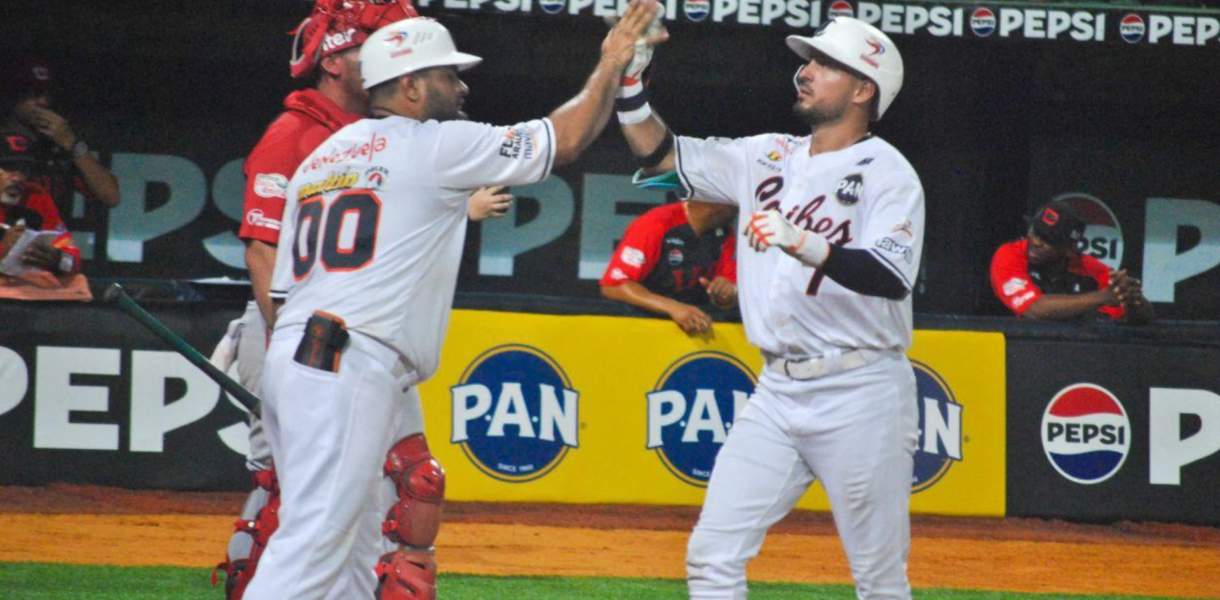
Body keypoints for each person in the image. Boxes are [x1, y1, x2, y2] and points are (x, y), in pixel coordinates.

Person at [244, 5, 664, 600]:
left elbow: (282, 290)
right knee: (311, 550)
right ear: (411, 85)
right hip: (347, 359)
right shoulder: (431, 145)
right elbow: (563, 140)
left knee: (360, 552)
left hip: (304, 352)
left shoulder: (324, 157)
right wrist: (612, 60)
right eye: (449, 75)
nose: (462, 86)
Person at [211, 1, 513, 597]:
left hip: (353, 340)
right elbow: (263, 255)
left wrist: (460, 211)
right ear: (334, 61)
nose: (380, 49)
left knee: (399, 495)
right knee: (298, 517)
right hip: (306, 337)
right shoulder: (297, 134)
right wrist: (297, 357)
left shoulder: (377, 139)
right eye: (367, 43)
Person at [618, 17, 924, 599]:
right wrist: (631, 82)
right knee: (712, 557)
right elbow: (660, 155)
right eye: (808, 60)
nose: (804, 70)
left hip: (861, 390)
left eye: (826, 64)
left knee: (879, 581)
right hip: (778, 391)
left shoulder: (890, 173)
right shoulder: (765, 155)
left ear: (864, 90)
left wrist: (800, 240)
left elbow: (890, 275)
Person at [991, 200, 1153, 323]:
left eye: (1047, 239)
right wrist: (1103, 297)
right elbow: (1035, 310)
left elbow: (1144, 317)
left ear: (1069, 248)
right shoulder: (1010, 254)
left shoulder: (1088, 268)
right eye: (1035, 232)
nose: (1036, 241)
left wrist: (1132, 299)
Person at [600, 200, 738, 335]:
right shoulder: (655, 223)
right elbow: (614, 285)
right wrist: (672, 307)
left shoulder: (725, 231)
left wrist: (725, 295)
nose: (740, 203)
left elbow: (726, 298)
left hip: (695, 326)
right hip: (641, 325)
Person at [1, 58, 120, 211]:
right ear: (14, 97)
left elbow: (111, 197)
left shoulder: (57, 144)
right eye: (34, 94)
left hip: (46, 231)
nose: (43, 102)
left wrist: (73, 144)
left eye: (46, 94)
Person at [0, 130, 89, 300]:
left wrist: (57, 260)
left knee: (76, 281)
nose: (18, 177)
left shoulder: (35, 196)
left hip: (18, 291)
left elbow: (72, 258)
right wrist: (3, 250)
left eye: (24, 170)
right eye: (9, 168)